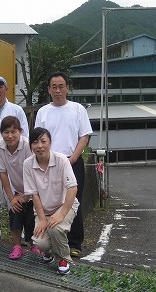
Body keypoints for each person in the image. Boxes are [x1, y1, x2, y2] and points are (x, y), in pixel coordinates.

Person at [35, 71, 92, 258]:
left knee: (73, 201)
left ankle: (75, 242)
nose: (58, 90)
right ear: (48, 90)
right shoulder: (43, 111)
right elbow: (38, 138)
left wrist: (74, 157)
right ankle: (50, 242)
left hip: (71, 161)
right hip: (48, 164)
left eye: (61, 86)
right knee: (49, 201)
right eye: (54, 87)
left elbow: (84, 136)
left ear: (67, 88)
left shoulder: (78, 109)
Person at [23, 127, 79, 275]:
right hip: (43, 210)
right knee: (40, 243)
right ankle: (50, 253)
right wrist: (41, 219)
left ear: (50, 142)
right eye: (35, 142)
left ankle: (63, 259)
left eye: (43, 141)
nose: (39, 146)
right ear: (31, 145)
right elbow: (34, 194)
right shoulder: (28, 164)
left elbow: (72, 188)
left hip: (64, 206)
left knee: (56, 228)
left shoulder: (61, 160)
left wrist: (61, 214)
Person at [0, 116, 41, 259]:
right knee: (15, 211)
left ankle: (34, 244)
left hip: (35, 188)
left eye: (13, 132)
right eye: (6, 132)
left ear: (20, 132)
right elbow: (3, 174)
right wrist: (11, 198)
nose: (10, 136)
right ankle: (17, 246)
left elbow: (34, 172)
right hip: (17, 189)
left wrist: (26, 196)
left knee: (31, 217)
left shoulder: (27, 145)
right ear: (1, 133)